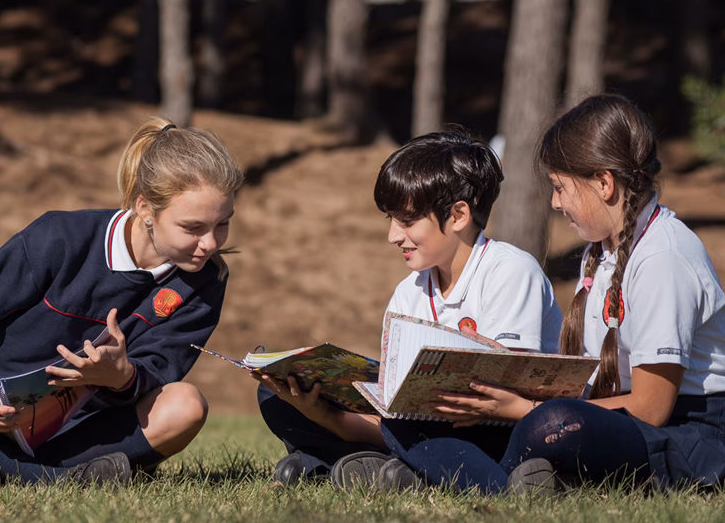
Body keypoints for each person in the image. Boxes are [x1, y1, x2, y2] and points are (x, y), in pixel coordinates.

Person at [384, 93, 725, 495]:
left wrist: (525, 410)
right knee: (406, 421)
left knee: (551, 424)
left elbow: (651, 409)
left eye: (560, 188)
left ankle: (480, 483)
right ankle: (511, 479)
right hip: (610, 416)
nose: (555, 203)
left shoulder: (663, 256)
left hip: (687, 434)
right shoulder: (602, 252)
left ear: (603, 183)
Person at [257, 127, 562, 488]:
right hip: (417, 431)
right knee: (276, 396)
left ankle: (481, 482)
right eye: (391, 220)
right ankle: (395, 468)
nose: (393, 236)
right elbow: (394, 410)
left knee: (407, 428)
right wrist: (325, 415)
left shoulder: (510, 270)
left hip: (499, 432)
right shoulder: (408, 292)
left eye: (406, 221)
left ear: (459, 215)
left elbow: (511, 399)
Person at [0, 118, 243, 484]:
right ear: (145, 210)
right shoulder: (60, 236)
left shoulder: (207, 280)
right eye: (193, 228)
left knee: (185, 406)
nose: (211, 243)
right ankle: (48, 480)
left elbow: (159, 370)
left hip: (69, 435)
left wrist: (121, 376)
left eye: (223, 223)